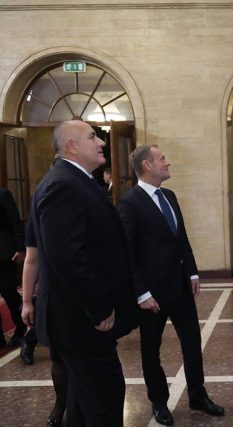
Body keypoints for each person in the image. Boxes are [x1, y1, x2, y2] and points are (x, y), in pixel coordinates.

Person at [29, 120, 137, 426]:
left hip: (81, 323)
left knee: (83, 404)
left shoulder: (78, 181)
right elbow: (65, 256)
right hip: (81, 322)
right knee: (105, 401)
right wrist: (99, 307)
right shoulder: (63, 185)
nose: (101, 142)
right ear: (71, 146)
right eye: (92, 137)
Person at [117, 145, 224, 426]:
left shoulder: (170, 196)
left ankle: (198, 395)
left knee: (192, 342)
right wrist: (141, 293)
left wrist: (192, 272)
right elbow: (127, 254)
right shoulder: (130, 203)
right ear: (147, 166)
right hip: (151, 295)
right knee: (151, 350)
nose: (168, 162)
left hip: (179, 287)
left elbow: (181, 238)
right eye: (162, 159)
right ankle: (159, 401)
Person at [20, 218, 68, 427]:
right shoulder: (39, 213)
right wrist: (26, 301)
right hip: (55, 297)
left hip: (89, 295)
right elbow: (32, 260)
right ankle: (60, 404)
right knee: (58, 358)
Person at [0, 187, 26, 347]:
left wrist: (20, 248)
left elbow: (15, 222)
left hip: (4, 253)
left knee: (9, 292)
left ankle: (22, 327)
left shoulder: (3, 194)